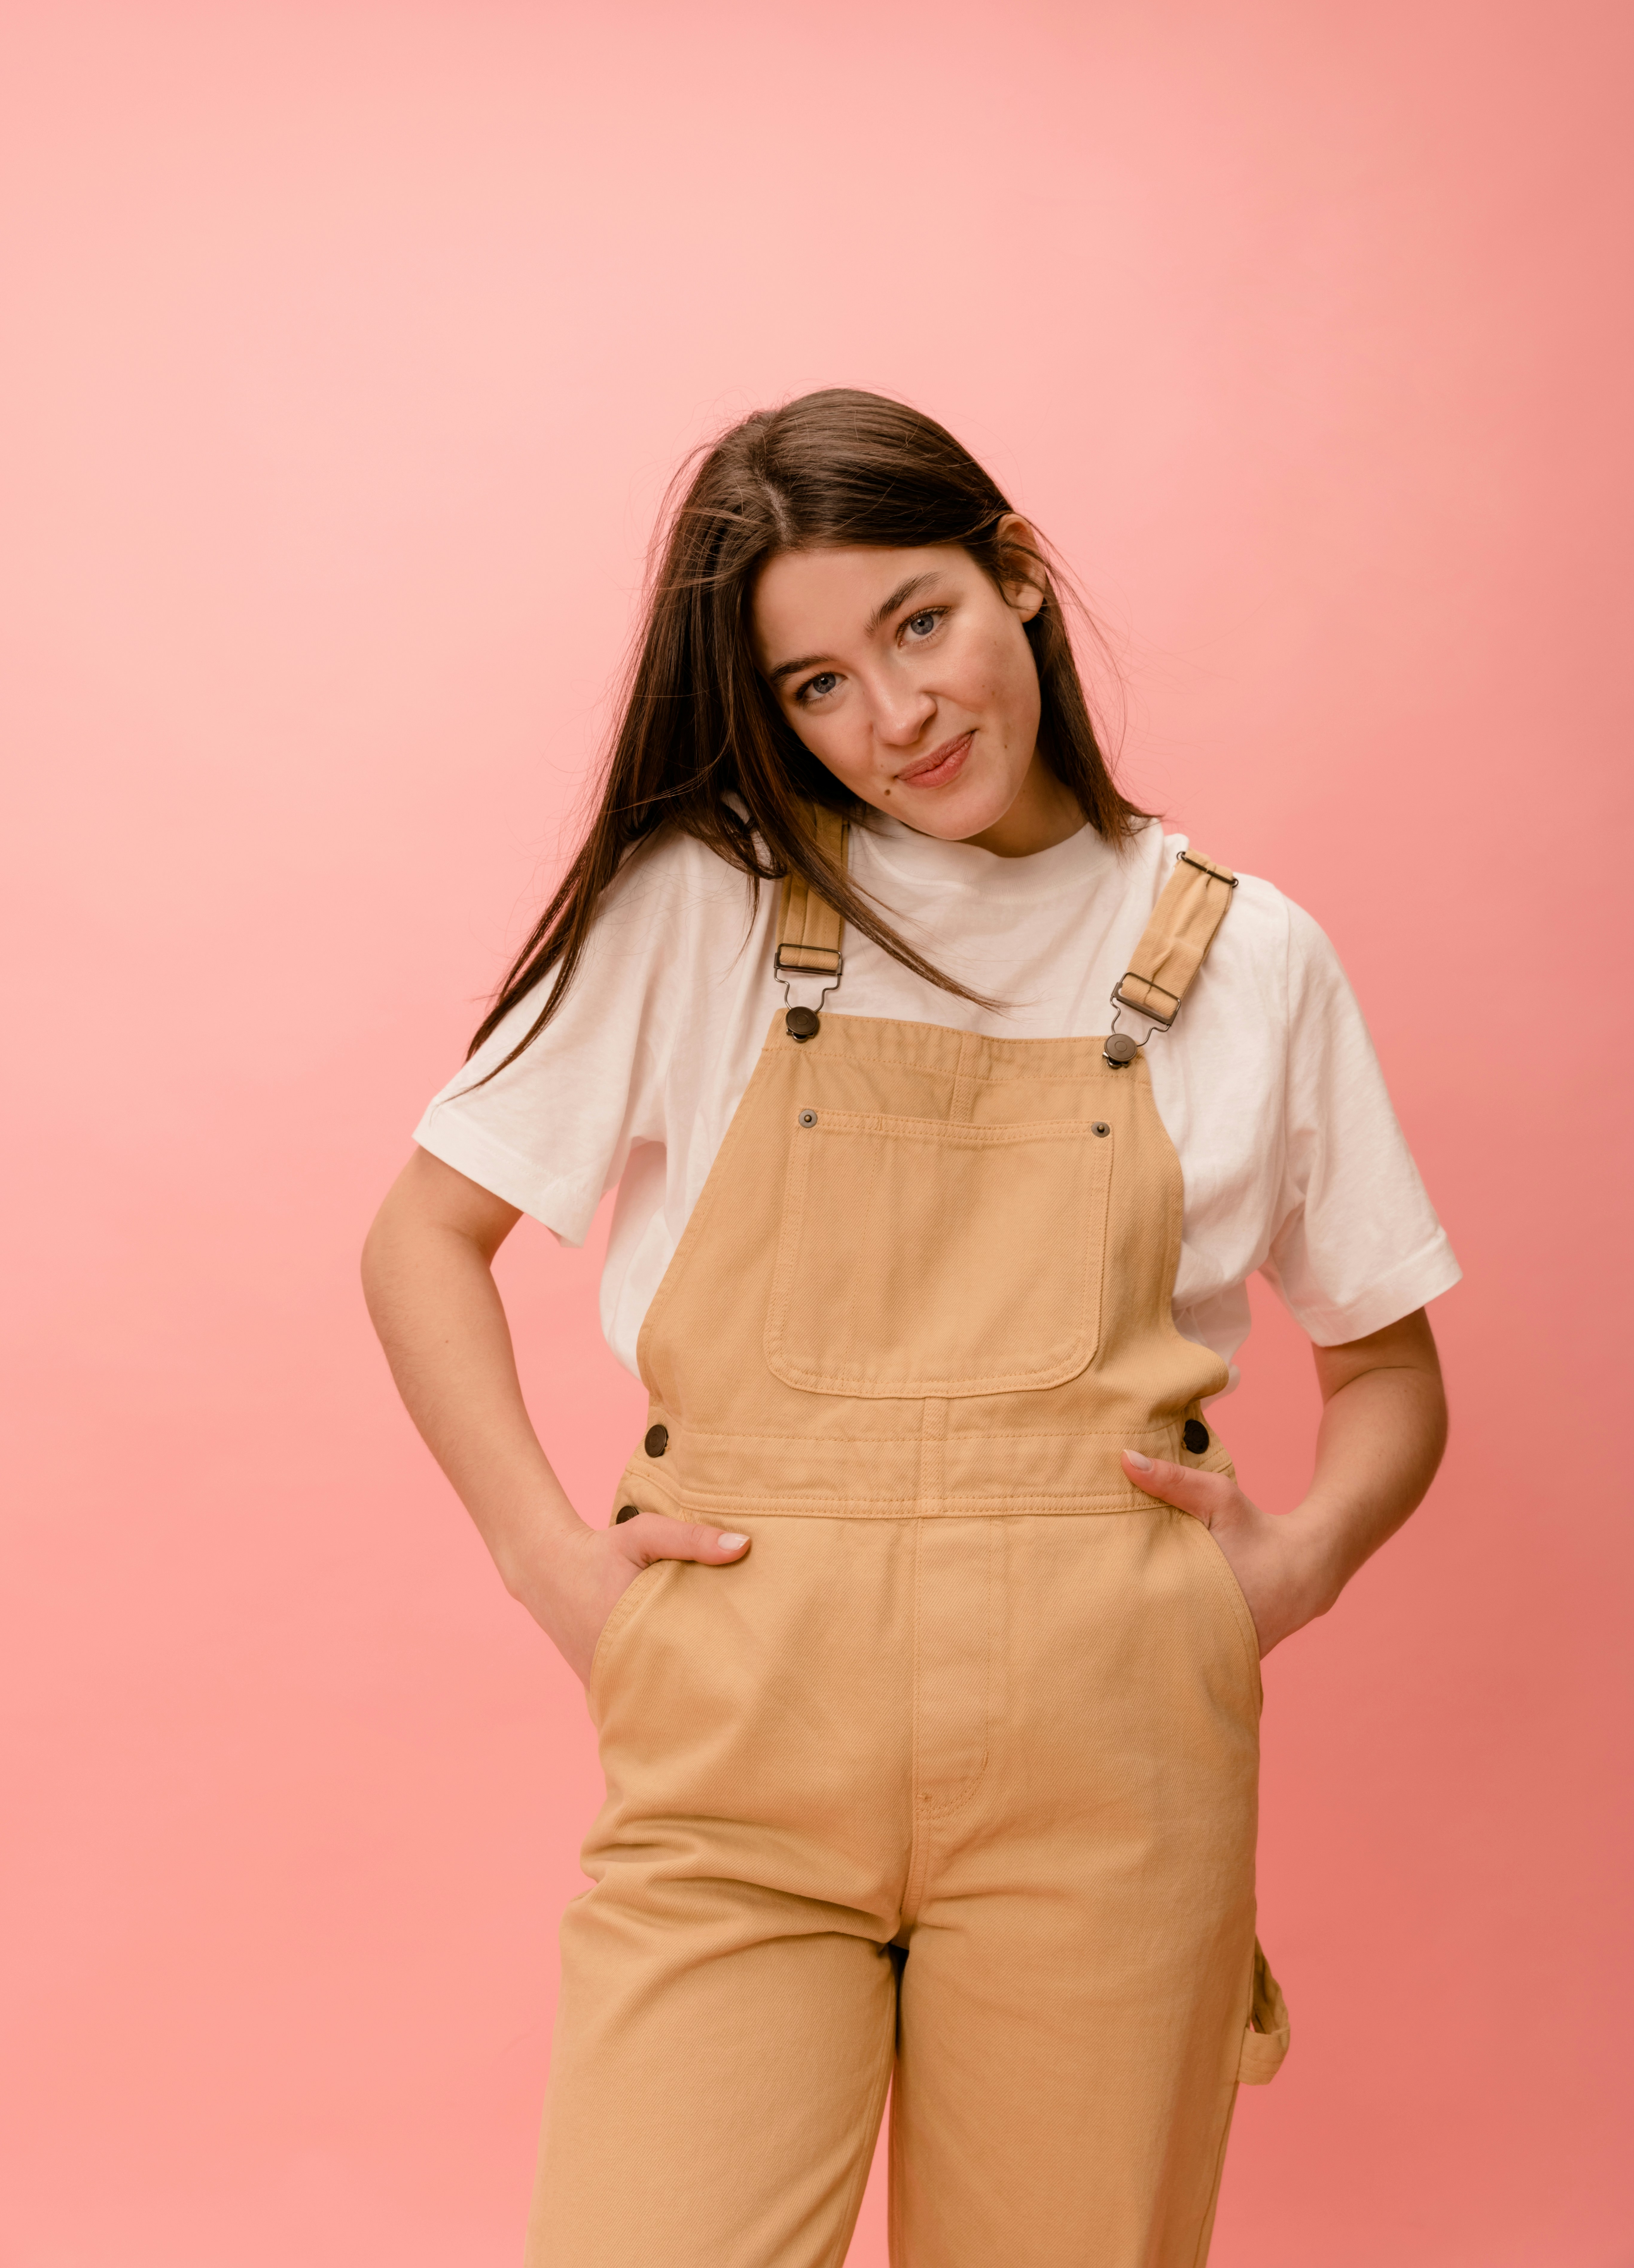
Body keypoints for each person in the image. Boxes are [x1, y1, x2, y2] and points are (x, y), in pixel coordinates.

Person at [361, 389, 1457, 2268]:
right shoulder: (701, 904)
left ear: (1015, 576)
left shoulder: (1242, 953)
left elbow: (1388, 1373)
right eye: (815, 687)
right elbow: (419, 1243)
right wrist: (555, 1571)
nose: (895, 716)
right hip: (741, 1735)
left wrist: (1285, 1574)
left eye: (919, 624)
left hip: (1107, 1751)